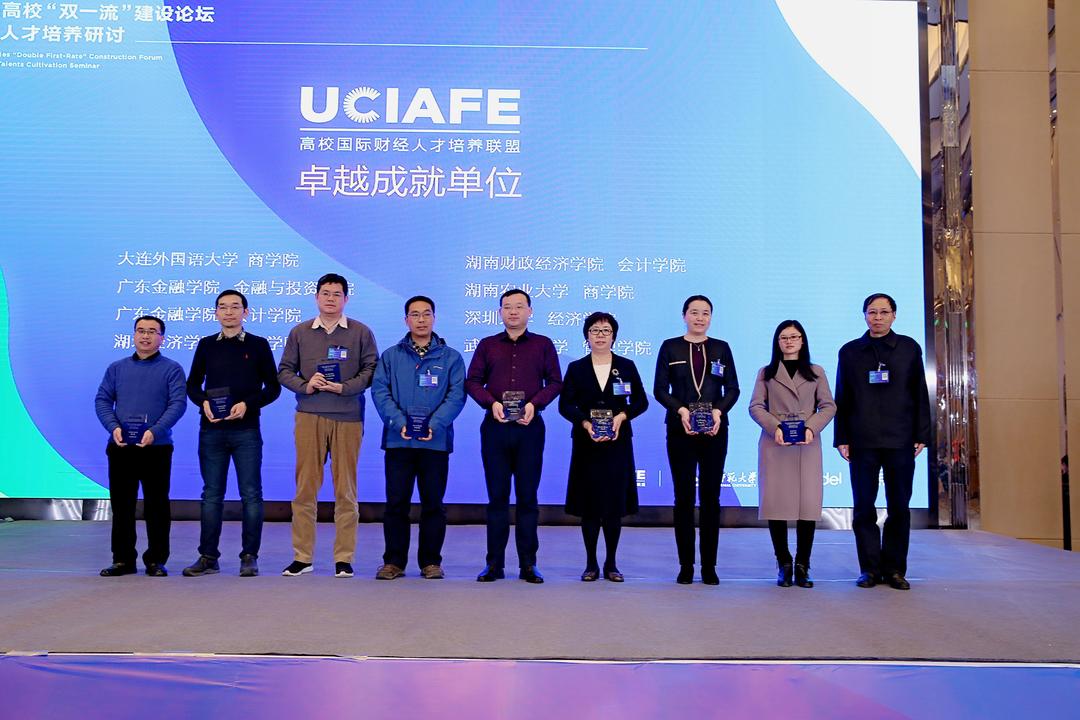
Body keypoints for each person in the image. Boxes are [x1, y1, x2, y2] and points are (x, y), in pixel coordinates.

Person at [277, 273, 378, 578]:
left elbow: (371, 370)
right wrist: (306, 385)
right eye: (325, 293)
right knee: (305, 489)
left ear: (346, 299)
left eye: (336, 294)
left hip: (348, 416)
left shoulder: (360, 332)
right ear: (316, 297)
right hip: (309, 415)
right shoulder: (300, 332)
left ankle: (343, 557)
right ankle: (302, 556)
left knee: (346, 490)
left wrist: (345, 387)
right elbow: (284, 371)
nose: (330, 298)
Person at [834, 293, 931, 590]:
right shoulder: (850, 351)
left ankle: (895, 569)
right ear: (864, 315)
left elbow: (919, 393)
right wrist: (842, 437)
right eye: (872, 312)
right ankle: (869, 569)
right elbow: (843, 396)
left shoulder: (909, 348)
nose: (877, 317)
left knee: (899, 507)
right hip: (862, 440)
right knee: (863, 507)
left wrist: (921, 434)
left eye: (884, 312)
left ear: (894, 315)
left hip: (900, 439)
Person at [182, 290, 281, 578]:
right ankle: (208, 557)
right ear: (215, 312)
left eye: (235, 307)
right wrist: (202, 403)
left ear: (245, 312)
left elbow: (273, 388)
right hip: (211, 430)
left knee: (251, 494)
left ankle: (249, 556)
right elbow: (192, 385)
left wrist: (247, 405)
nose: (229, 312)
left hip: (246, 431)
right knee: (211, 495)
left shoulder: (258, 345)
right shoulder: (206, 345)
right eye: (222, 307)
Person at [465, 289, 563, 583]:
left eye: (519, 306)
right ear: (500, 312)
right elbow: (472, 381)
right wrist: (491, 403)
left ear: (530, 311)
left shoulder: (543, 344)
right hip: (495, 429)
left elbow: (555, 382)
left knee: (528, 498)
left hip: (529, 429)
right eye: (507, 307)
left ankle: (528, 564)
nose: (513, 312)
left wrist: (535, 404)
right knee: (497, 498)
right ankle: (494, 564)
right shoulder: (487, 345)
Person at [370, 295, 466, 580]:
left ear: (434, 318)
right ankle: (393, 562)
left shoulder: (451, 358)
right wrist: (399, 422)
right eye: (415, 314)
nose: (421, 320)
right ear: (406, 320)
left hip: (435, 443)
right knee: (396, 503)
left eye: (426, 314)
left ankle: (431, 562)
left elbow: (457, 395)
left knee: (433, 504)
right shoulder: (391, 356)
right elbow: (380, 391)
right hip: (398, 441)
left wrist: (435, 424)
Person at [654, 295, 740, 585]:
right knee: (683, 497)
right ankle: (686, 565)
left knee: (711, 498)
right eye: (694, 312)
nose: (700, 318)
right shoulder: (670, 347)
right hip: (681, 429)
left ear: (711, 317)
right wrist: (681, 411)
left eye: (705, 313)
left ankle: (710, 566)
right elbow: (659, 389)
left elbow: (733, 389)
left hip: (715, 429)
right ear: (684, 316)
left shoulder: (721, 348)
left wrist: (718, 412)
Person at [558, 312, 648, 582]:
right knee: (589, 505)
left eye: (606, 330)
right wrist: (585, 423)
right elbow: (565, 405)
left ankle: (611, 563)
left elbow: (641, 402)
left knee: (612, 505)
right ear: (586, 336)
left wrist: (622, 416)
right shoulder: (576, 368)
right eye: (595, 330)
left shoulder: (626, 366)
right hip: (586, 443)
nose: (600, 335)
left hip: (617, 443)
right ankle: (590, 564)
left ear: (614, 336)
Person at [94, 315, 187, 577]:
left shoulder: (172, 369)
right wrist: (113, 427)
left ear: (162, 338)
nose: (145, 336)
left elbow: (178, 404)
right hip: (121, 447)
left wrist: (155, 431)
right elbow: (102, 400)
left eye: (152, 331)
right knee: (122, 505)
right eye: (140, 331)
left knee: (157, 506)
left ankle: (156, 560)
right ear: (134, 335)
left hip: (156, 448)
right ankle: (122, 559)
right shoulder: (116, 368)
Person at [748, 320, 835, 588]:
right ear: (777, 342)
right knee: (776, 504)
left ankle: (803, 565)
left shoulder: (816, 372)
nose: (789, 341)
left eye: (794, 337)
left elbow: (828, 406)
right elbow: (755, 406)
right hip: (775, 444)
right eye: (784, 337)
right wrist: (775, 427)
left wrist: (811, 427)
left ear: (802, 340)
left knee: (807, 506)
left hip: (807, 444)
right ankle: (784, 563)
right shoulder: (766, 372)